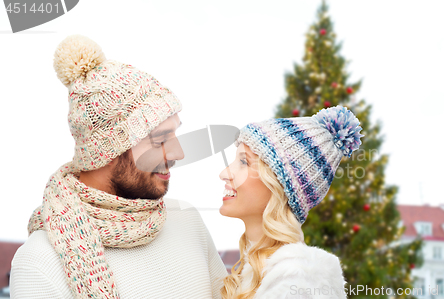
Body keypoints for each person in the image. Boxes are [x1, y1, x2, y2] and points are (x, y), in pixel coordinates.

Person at [10, 35, 227, 299]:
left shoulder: (187, 222)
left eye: (174, 135)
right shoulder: (40, 263)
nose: (178, 153)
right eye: (160, 139)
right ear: (107, 151)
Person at [218, 106, 364, 299]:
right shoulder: (257, 272)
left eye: (244, 162)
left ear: (278, 185)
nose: (224, 174)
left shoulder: (299, 281)